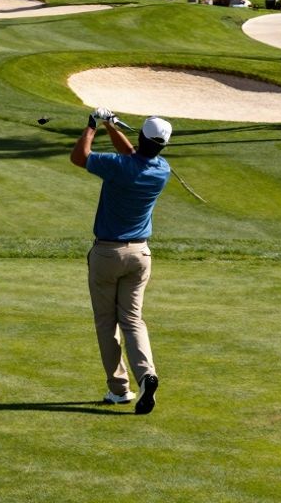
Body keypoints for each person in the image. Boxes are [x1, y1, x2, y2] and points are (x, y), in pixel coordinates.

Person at [69, 108, 172, 415]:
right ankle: (146, 375)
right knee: (133, 320)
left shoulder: (117, 166)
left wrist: (91, 126)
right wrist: (111, 126)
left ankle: (119, 390)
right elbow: (135, 155)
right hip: (140, 256)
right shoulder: (161, 169)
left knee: (106, 322)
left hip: (107, 254)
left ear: (140, 136)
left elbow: (80, 156)